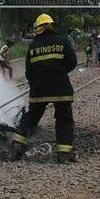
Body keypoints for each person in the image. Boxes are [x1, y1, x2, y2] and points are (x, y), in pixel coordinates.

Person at [10, 13, 78, 163]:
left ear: (37, 29)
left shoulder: (33, 46)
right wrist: (58, 72)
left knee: (31, 118)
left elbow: (28, 72)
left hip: (39, 89)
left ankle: (17, 147)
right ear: (51, 26)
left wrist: (37, 80)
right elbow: (72, 62)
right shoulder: (62, 42)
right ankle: (64, 154)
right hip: (60, 87)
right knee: (64, 119)